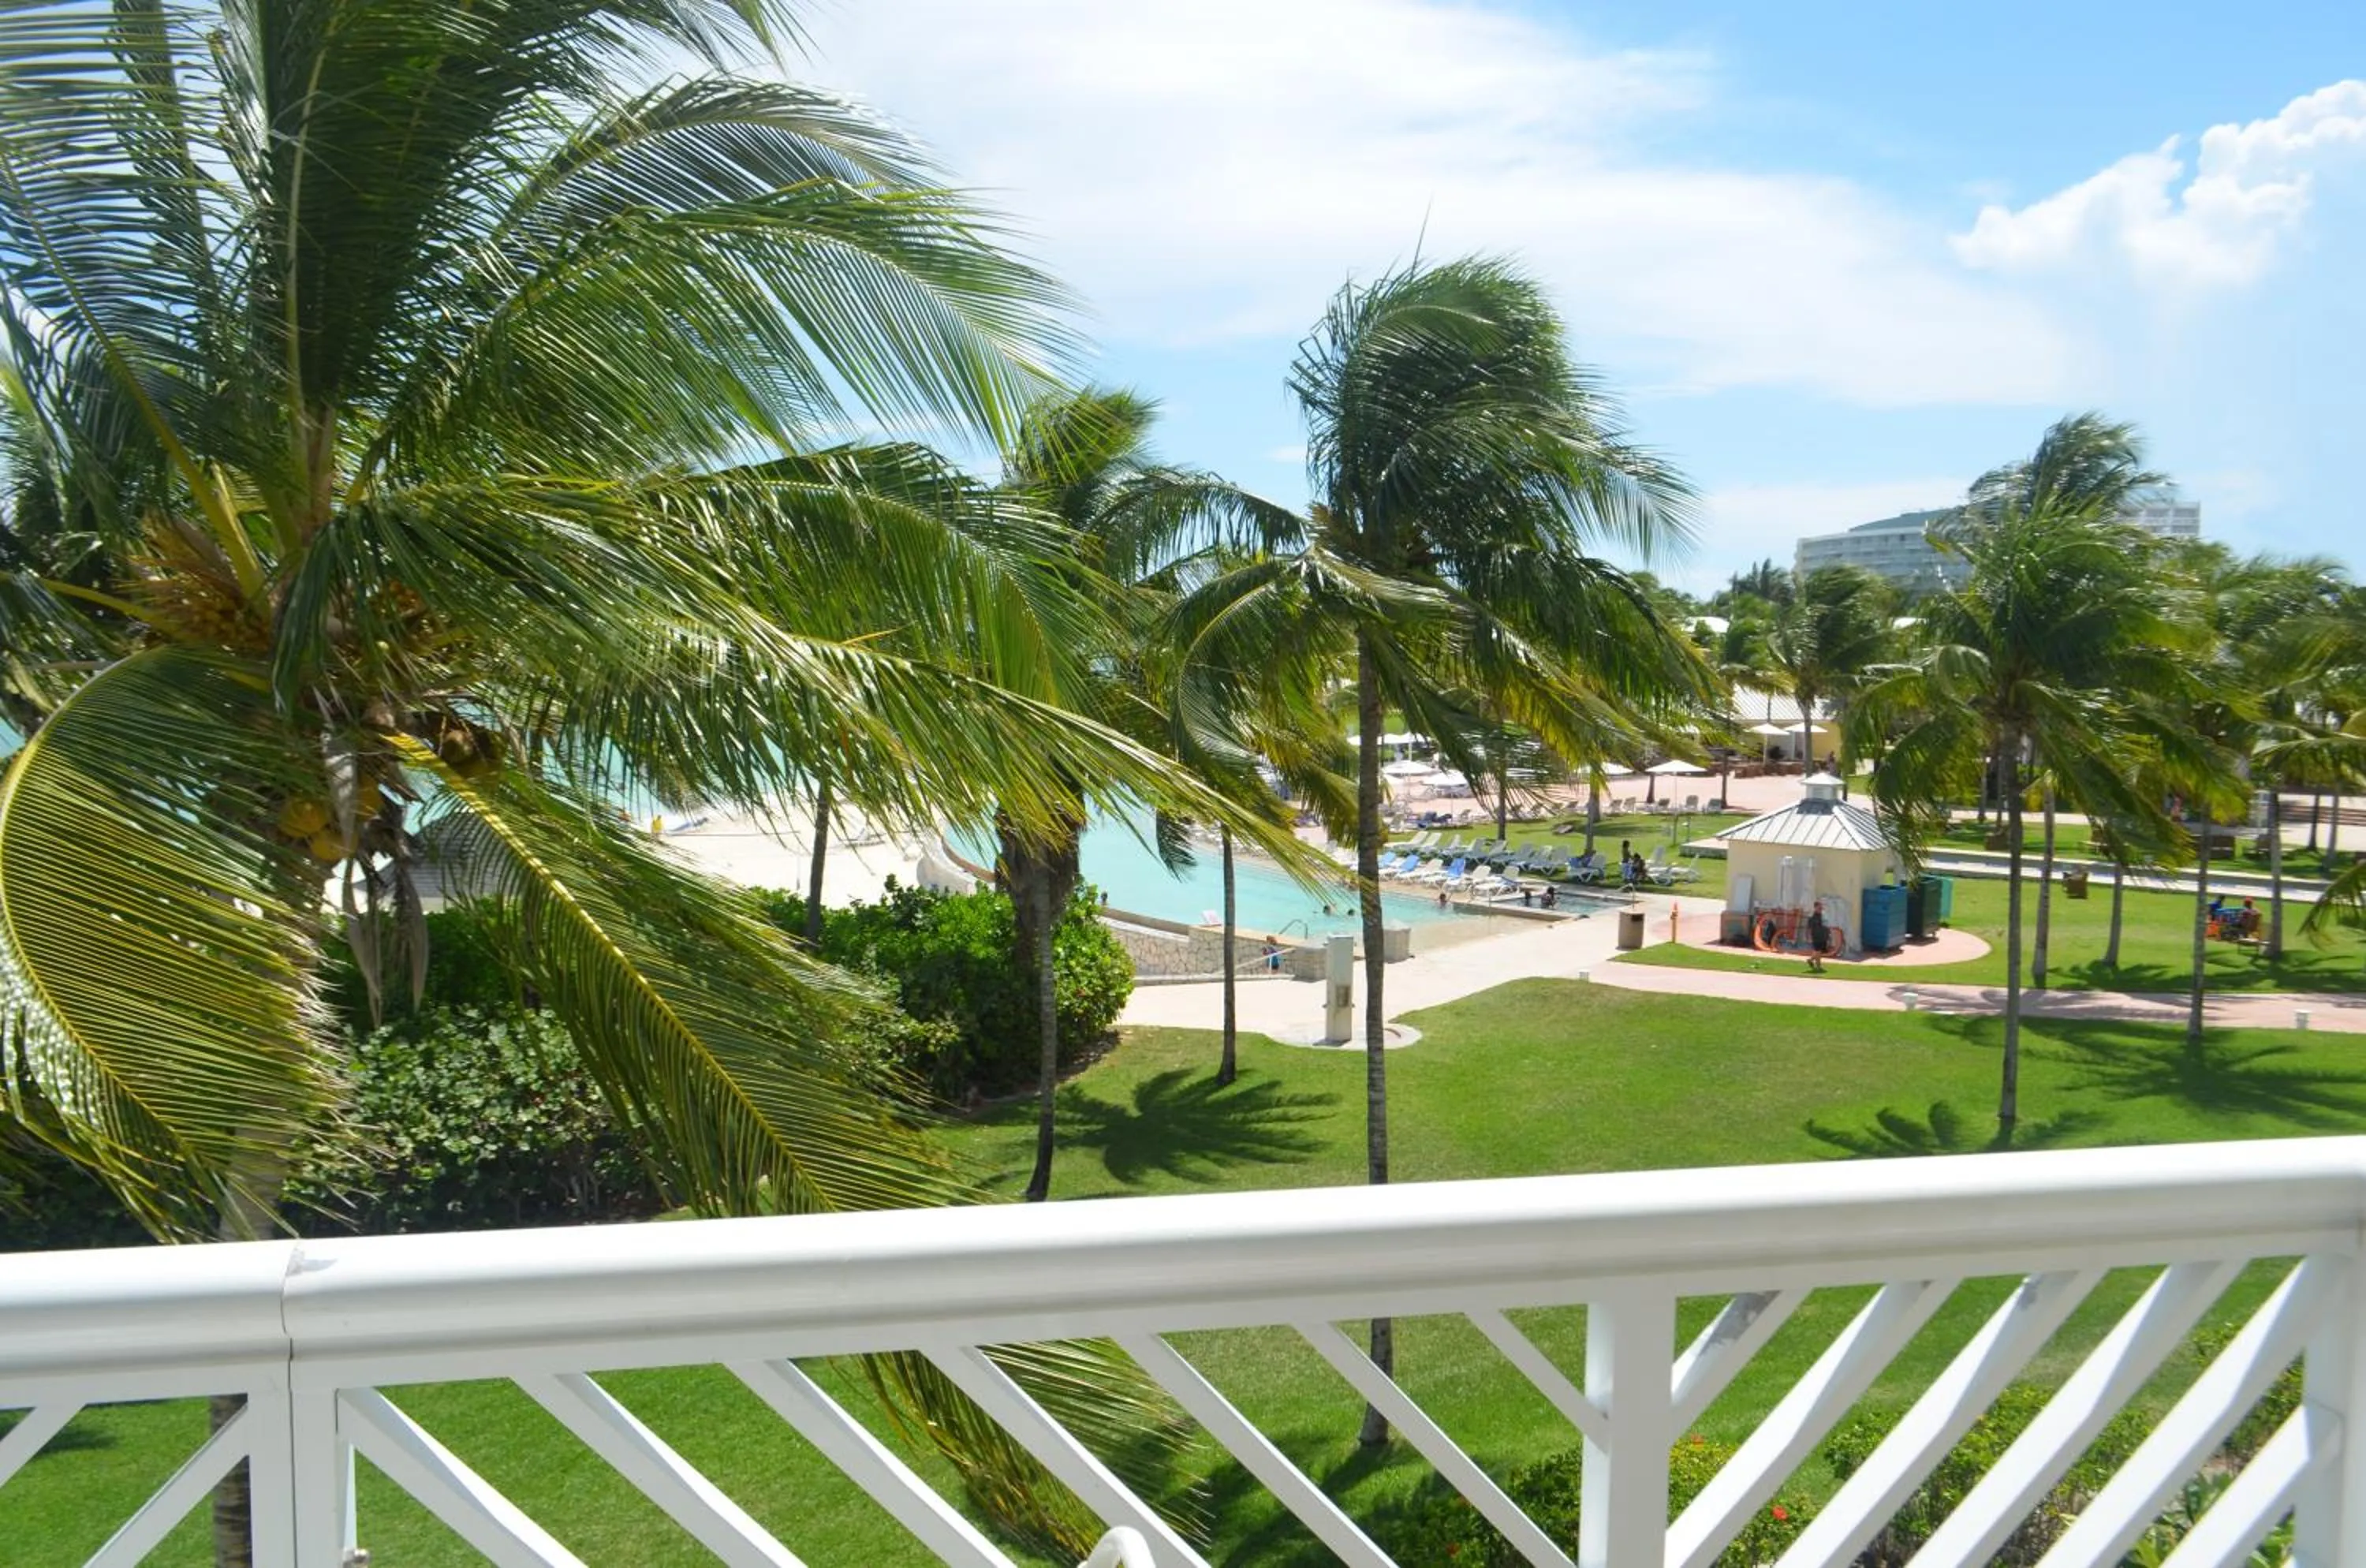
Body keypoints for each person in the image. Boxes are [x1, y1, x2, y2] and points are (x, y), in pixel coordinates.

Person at [1804, 905, 1830, 973]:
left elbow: (1826, 925)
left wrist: (1827, 934)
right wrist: (1808, 937)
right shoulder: (1812, 917)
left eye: (1821, 908)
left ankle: (1810, 960)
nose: (1821, 909)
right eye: (1819, 908)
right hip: (1816, 936)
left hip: (1822, 936)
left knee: (1818, 951)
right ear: (1815, 908)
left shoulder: (1822, 916)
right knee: (1818, 951)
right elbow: (1809, 928)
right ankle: (1818, 966)